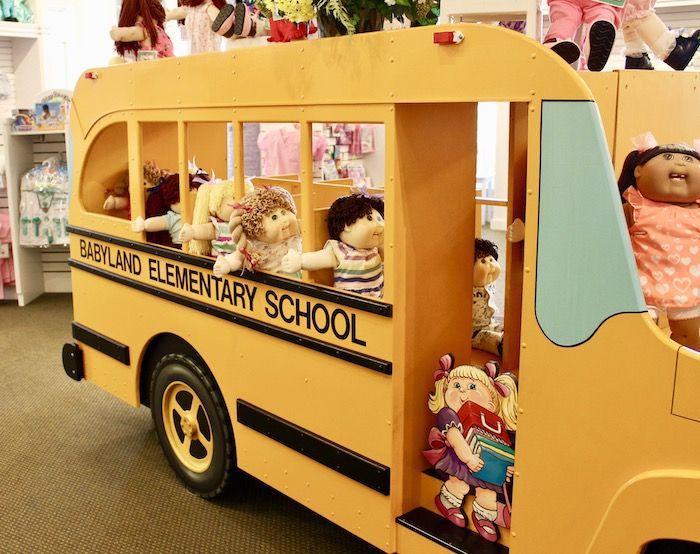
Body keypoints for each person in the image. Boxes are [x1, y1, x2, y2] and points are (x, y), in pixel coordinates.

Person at [619, 133, 700, 350]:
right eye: (667, 158)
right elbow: (598, 227)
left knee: (690, 340)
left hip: (689, 288)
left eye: (690, 159)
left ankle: (682, 376)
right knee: (640, 340)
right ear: (638, 170)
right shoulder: (635, 208)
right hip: (643, 290)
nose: (680, 162)